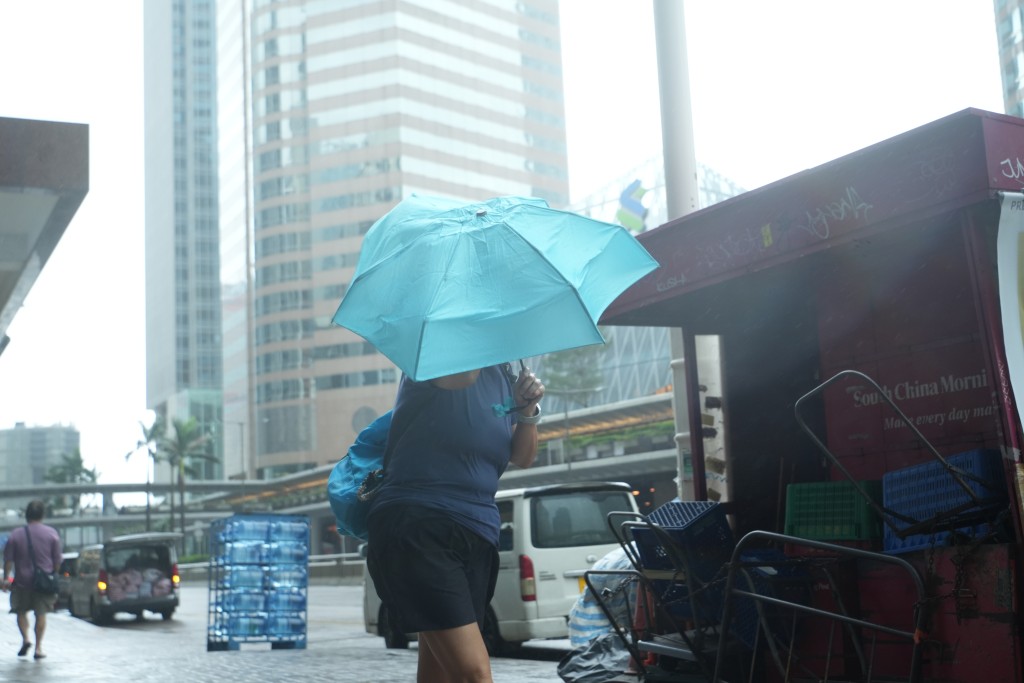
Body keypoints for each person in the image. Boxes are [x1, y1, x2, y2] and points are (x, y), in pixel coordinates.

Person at [366, 361, 545, 683]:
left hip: (477, 531)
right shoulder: (440, 361)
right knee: (473, 674)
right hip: (420, 525)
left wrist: (526, 408)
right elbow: (461, 375)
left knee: (440, 673)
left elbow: (523, 456)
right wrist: (477, 332)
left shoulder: (503, 377)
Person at [2, 499, 62, 659]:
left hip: (21, 582)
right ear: (42, 515)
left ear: (26, 515)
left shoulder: (16, 535)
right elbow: (57, 561)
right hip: (43, 584)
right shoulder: (52, 534)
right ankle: (38, 648)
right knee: (40, 614)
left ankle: (26, 639)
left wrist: (6, 578)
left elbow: (8, 560)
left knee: (20, 612)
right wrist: (53, 575)